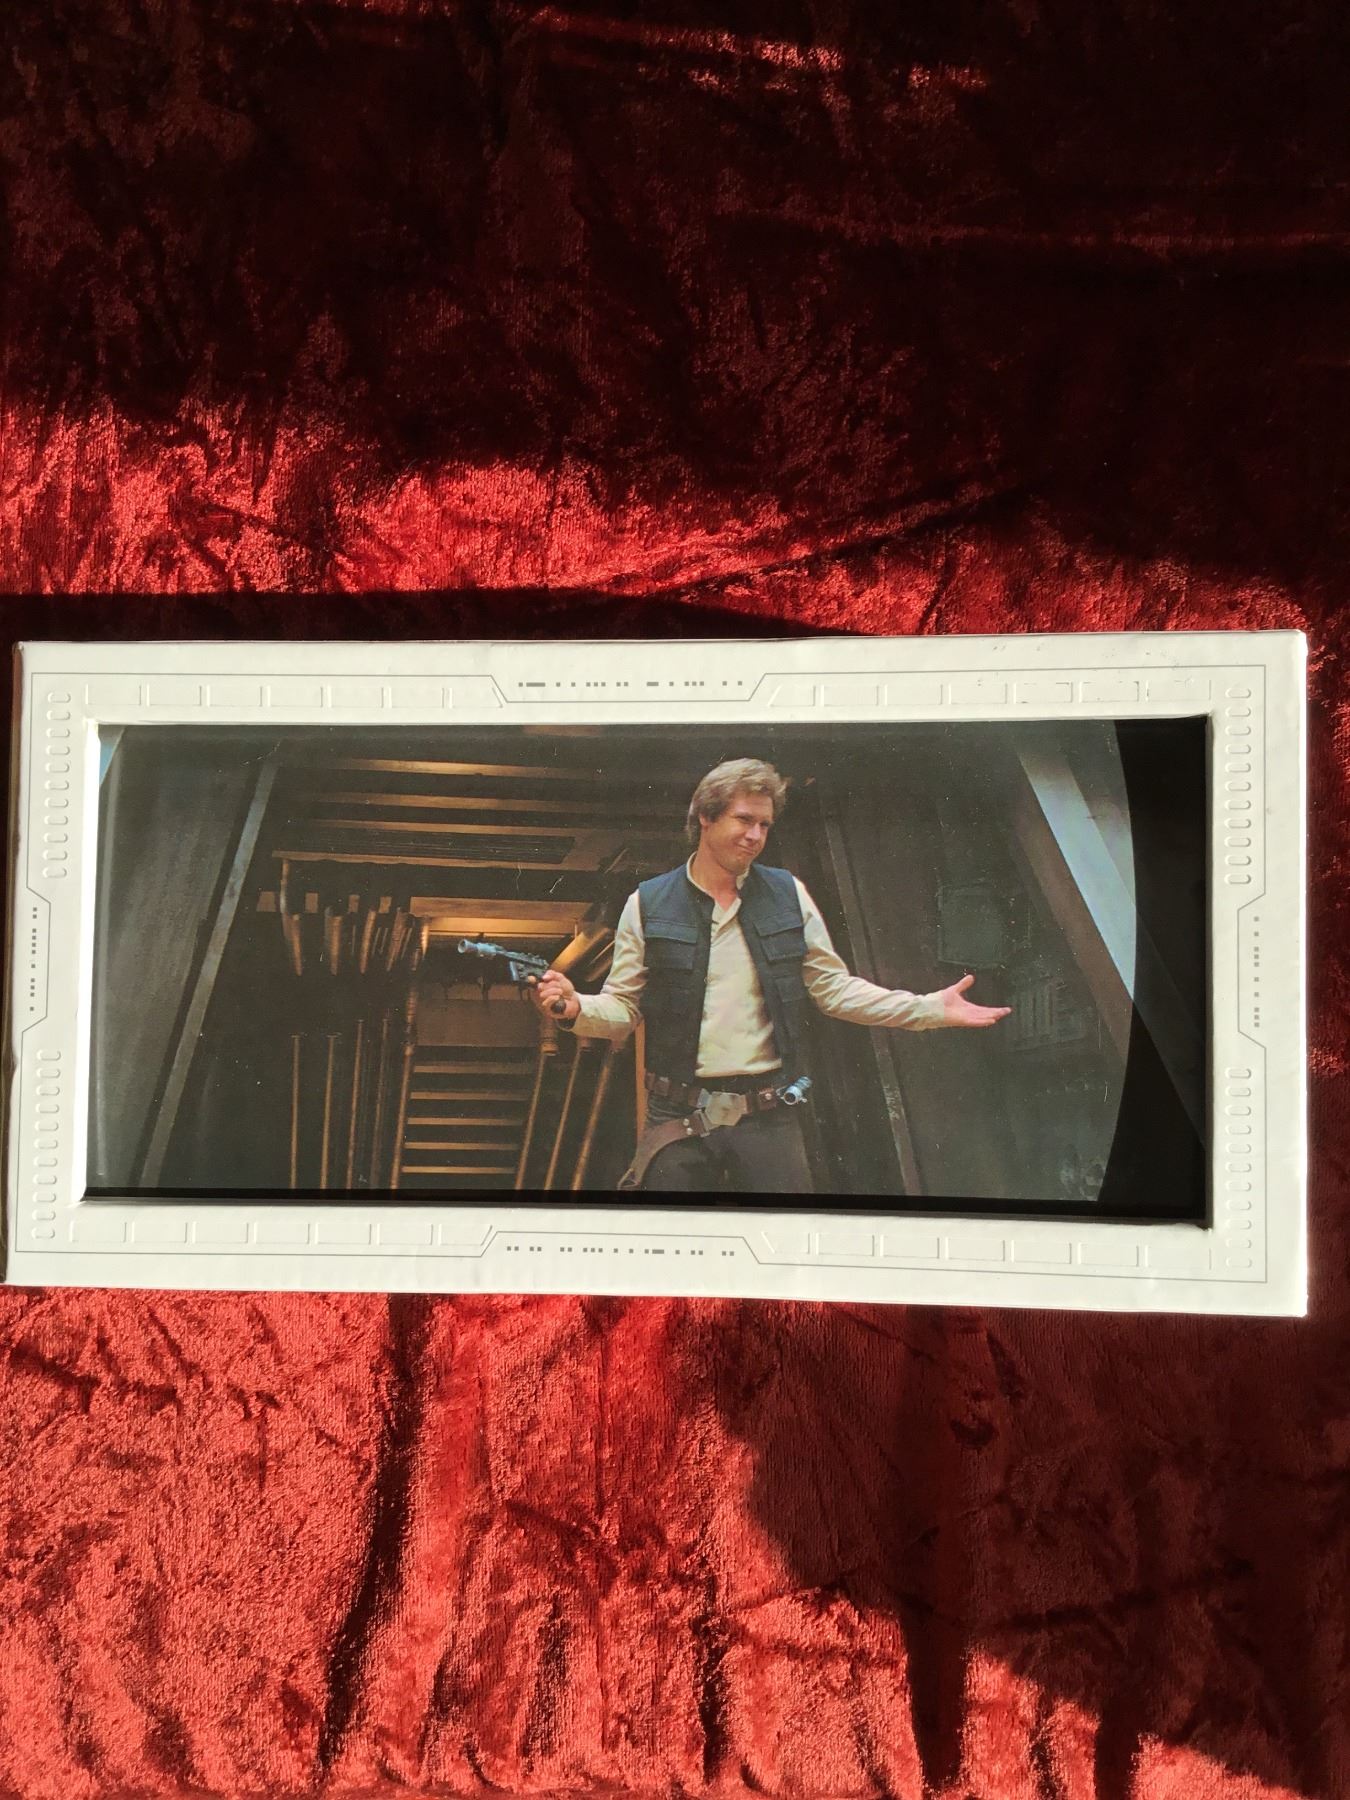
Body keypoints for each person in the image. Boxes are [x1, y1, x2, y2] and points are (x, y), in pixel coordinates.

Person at [532, 758, 1010, 1192]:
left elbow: (832, 989)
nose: (755, 835)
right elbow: (623, 1008)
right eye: (744, 820)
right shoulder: (648, 902)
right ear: (705, 817)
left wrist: (928, 1008)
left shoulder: (787, 893)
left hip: (768, 1116)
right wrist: (576, 1008)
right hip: (676, 1117)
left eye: (764, 825)